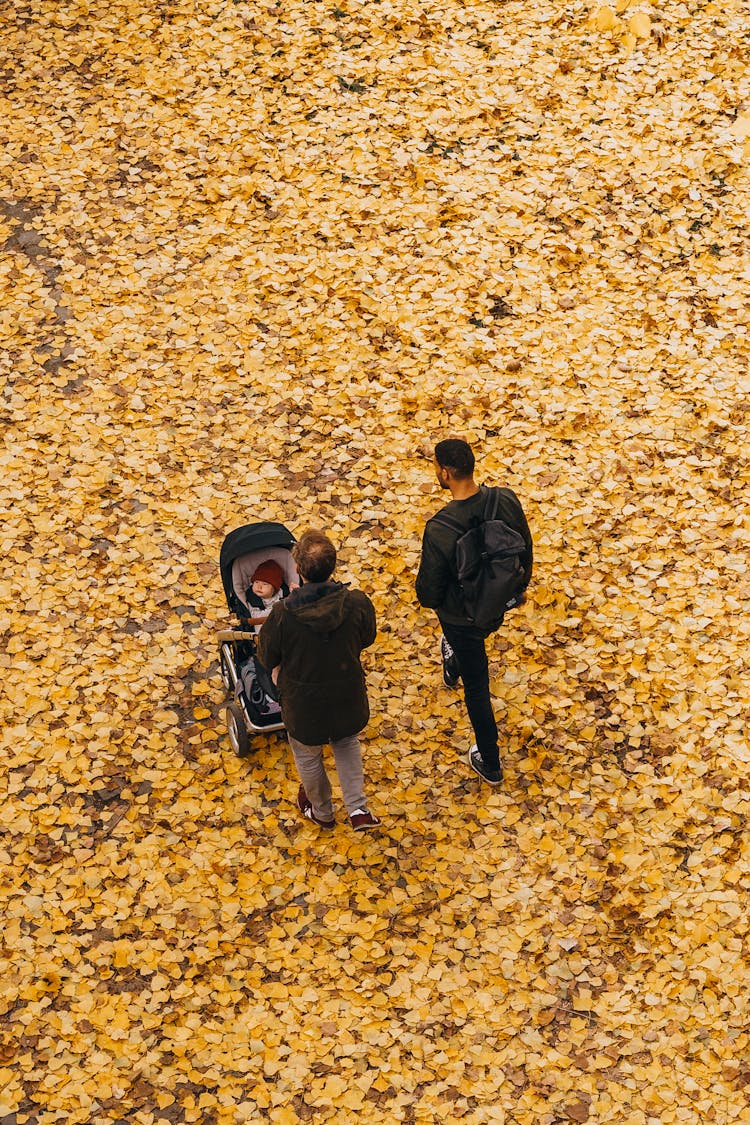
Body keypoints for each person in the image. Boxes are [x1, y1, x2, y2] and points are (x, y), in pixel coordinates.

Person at [415, 438, 533, 786]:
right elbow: (525, 548)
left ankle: (491, 762)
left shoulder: (440, 529)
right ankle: (453, 662)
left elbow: (429, 592)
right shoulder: (505, 499)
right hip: (501, 600)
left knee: (477, 686)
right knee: (473, 647)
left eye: (436, 467)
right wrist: (516, 589)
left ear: (446, 473)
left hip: (462, 618)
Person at [257, 529, 380, 830]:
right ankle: (358, 809)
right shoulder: (356, 603)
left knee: (308, 753)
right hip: (346, 691)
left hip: (303, 701)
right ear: (333, 567)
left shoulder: (283, 615)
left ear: (297, 569)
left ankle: (322, 811)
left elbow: (267, 656)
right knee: (346, 740)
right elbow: (367, 637)